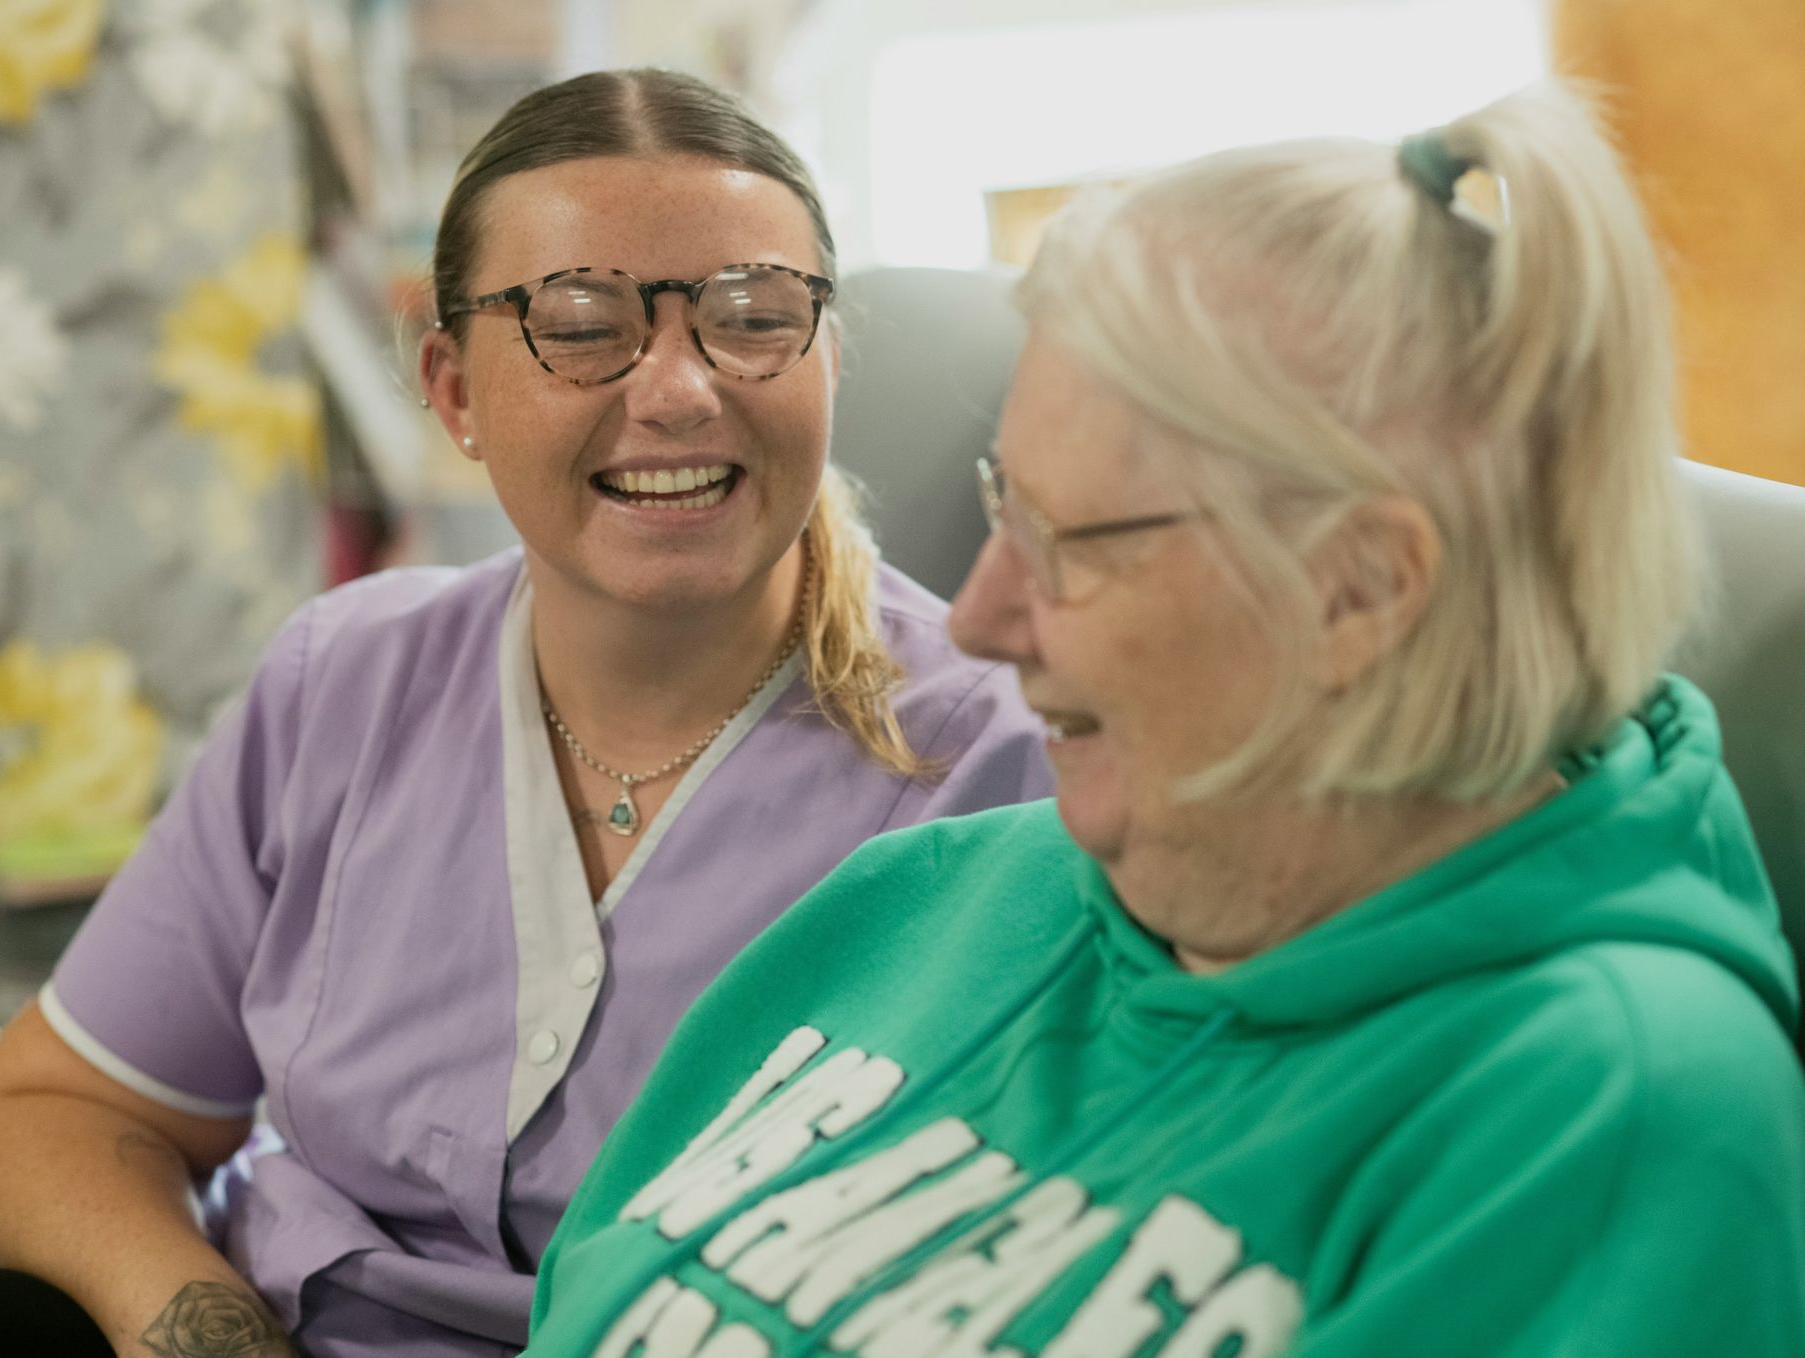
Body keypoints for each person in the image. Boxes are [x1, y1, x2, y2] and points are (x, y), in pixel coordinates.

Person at [519, 83, 1805, 1358]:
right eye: (1000, 507)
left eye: (1070, 545)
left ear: (1357, 586)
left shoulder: (1599, 1116)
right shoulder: (929, 897)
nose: (980, 617)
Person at [0, 69, 1052, 1358]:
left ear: (830, 362)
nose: (682, 389)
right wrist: (206, 1331)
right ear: (454, 390)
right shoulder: (342, 682)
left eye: (752, 317)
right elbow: (61, 1102)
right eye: (580, 323)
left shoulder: (1009, 774)